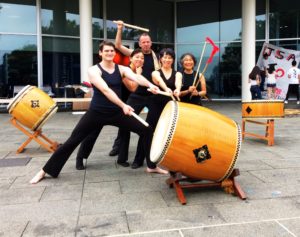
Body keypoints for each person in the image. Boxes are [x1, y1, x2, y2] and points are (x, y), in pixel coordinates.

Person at [30, 41, 164, 184]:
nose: (110, 53)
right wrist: (123, 105)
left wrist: (150, 85)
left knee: (147, 130)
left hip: (116, 112)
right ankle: (45, 171)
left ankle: (151, 166)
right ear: (100, 53)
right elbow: (106, 90)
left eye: (112, 51)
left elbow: (136, 77)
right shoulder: (94, 70)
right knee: (73, 140)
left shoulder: (120, 68)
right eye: (106, 51)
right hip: (97, 112)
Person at [75, 48, 143, 170]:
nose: (140, 60)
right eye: (137, 57)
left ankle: (122, 159)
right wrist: (138, 74)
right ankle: (80, 157)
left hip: (122, 107)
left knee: (124, 132)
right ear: (131, 58)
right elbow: (132, 87)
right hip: (104, 106)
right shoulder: (123, 69)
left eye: (142, 58)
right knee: (92, 133)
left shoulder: (135, 71)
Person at [113, 20, 161, 170]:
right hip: (136, 95)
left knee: (149, 127)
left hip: (152, 96)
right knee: (125, 123)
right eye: (143, 42)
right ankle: (119, 149)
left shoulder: (158, 57)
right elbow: (118, 46)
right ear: (139, 44)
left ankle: (140, 158)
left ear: (151, 43)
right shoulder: (135, 54)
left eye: (148, 42)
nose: (146, 44)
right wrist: (120, 29)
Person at [130, 48, 182, 169]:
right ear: (160, 59)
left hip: (171, 107)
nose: (167, 60)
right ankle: (138, 159)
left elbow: (178, 83)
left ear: (173, 60)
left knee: (169, 132)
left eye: (169, 57)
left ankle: (168, 159)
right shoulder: (155, 72)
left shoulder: (178, 73)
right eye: (164, 57)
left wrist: (177, 90)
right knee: (147, 131)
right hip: (156, 104)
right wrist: (166, 89)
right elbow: (159, 81)